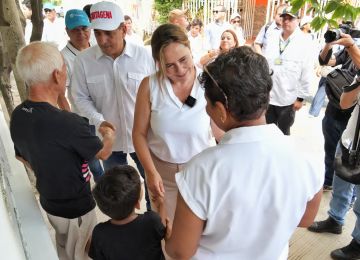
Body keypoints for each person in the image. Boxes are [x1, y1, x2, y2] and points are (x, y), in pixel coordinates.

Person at [165, 46, 323, 260]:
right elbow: (305, 220)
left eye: (208, 104)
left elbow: (180, 251)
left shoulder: (201, 171)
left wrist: (167, 229)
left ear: (221, 111)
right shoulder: (308, 157)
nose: (206, 109)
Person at [10, 41, 115, 260]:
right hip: (76, 207)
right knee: (81, 253)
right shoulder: (69, 124)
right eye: (65, 69)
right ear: (57, 75)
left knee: (64, 247)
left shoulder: (19, 115)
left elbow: (22, 157)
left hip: (50, 201)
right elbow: (103, 153)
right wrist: (109, 134)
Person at [71, 1, 154, 210]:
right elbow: (79, 98)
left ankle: (153, 224)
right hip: (109, 143)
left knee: (153, 186)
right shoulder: (83, 61)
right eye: (97, 33)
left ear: (123, 29)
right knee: (118, 194)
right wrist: (100, 122)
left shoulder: (144, 57)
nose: (102, 40)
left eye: (108, 33)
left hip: (144, 137)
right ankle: (127, 228)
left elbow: (157, 94)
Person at [132, 24, 215, 222]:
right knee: (164, 228)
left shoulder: (210, 81)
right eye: (169, 65)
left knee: (198, 229)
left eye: (183, 59)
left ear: (190, 49)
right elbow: (138, 134)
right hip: (161, 174)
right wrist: (150, 173)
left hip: (199, 173)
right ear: (158, 63)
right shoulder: (149, 85)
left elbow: (221, 131)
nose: (180, 70)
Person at [308, 34, 360, 260]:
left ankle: (358, 242)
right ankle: (335, 219)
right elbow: (345, 102)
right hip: (350, 139)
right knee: (341, 184)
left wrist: (351, 47)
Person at [89, 165, 170, 260]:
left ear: (103, 209)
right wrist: (161, 205)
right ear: (138, 204)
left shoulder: (99, 233)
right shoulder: (151, 221)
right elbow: (163, 228)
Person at [61, 9, 104, 182]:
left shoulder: (98, 48)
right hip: (83, 119)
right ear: (67, 31)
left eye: (84, 28)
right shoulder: (63, 57)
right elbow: (60, 95)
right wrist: (71, 121)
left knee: (111, 155)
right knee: (94, 163)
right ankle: (107, 192)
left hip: (105, 111)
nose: (81, 33)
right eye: (75, 29)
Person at [264, 6, 313, 135]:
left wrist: (301, 98)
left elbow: (307, 71)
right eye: (284, 18)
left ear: (298, 20)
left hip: (288, 99)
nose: (286, 21)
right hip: (269, 96)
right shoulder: (272, 37)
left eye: (290, 18)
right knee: (267, 131)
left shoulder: (304, 42)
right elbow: (265, 63)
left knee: (284, 132)